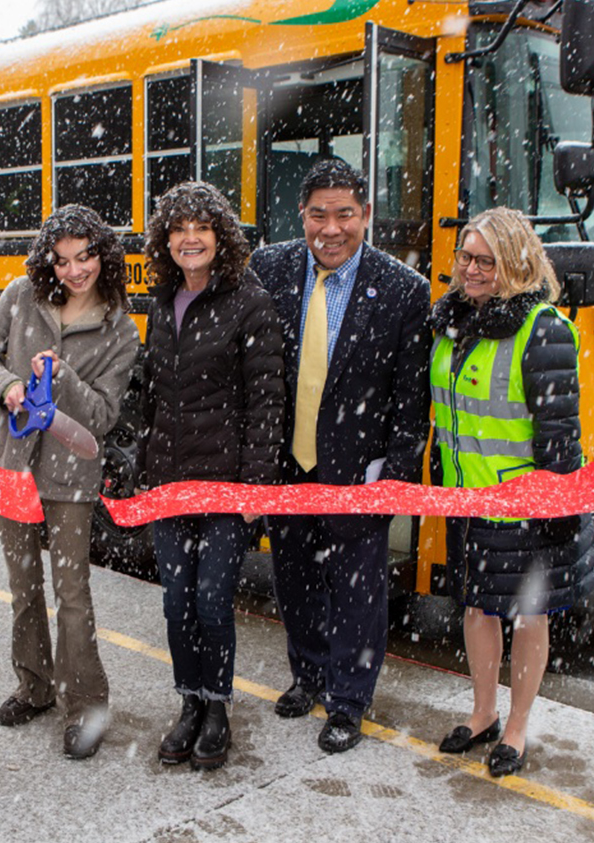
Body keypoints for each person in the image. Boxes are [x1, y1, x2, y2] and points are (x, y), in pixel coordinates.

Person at [250, 158, 430, 753]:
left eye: (345, 214)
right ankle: (308, 676)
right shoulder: (269, 268)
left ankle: (349, 701)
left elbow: (411, 400)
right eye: (318, 214)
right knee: (295, 579)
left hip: (360, 474)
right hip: (288, 465)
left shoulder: (404, 289)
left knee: (358, 592)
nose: (331, 229)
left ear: (366, 216)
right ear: (300, 216)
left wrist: (393, 479)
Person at [427, 207, 594, 778]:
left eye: (486, 261)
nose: (471, 270)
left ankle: (517, 726)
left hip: (526, 507)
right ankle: (482, 713)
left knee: (529, 616)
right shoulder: (451, 322)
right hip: (467, 502)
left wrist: (555, 509)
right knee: (476, 608)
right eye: (466, 257)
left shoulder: (543, 328)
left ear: (516, 263)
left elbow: (558, 433)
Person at [0, 204, 139, 760]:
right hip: (9, 466)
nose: (75, 270)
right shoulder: (21, 295)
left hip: (70, 477)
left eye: (85, 256)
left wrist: (61, 380)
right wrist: (11, 386)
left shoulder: (120, 328)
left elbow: (105, 414)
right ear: (49, 263)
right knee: (23, 587)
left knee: (71, 594)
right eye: (62, 260)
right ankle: (34, 685)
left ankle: (86, 706)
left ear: (102, 255)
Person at [139, 182, 284, 770]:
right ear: (165, 241)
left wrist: (255, 484)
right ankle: (188, 702)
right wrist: (146, 467)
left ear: (221, 236)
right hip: (170, 483)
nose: (189, 238)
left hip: (225, 485)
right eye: (177, 229)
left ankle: (218, 706)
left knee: (212, 600)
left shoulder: (250, 302)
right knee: (176, 602)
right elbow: (152, 395)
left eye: (201, 227)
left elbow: (268, 401)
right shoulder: (161, 300)